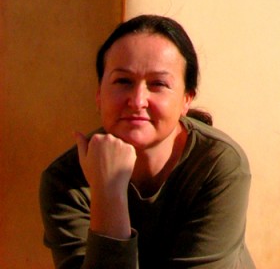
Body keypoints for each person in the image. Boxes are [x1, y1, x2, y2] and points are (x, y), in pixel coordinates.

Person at [40, 15, 254, 269]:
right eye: (123, 81)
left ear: (187, 99)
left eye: (158, 84)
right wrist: (108, 193)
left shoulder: (217, 164)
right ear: (99, 94)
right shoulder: (66, 181)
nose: (138, 100)